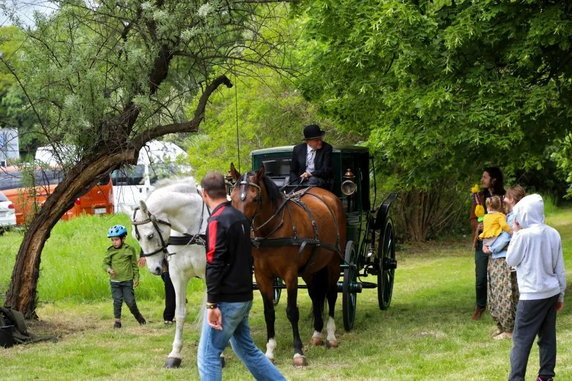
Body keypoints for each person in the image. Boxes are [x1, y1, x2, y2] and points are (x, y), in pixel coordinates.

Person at [197, 172, 285, 381]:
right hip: (243, 297)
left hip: (227, 299)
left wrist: (212, 304)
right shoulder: (241, 218)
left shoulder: (216, 220)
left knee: (208, 355)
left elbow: (215, 262)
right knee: (247, 350)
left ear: (204, 194)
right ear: (227, 191)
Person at [506, 194, 566, 381]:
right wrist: (561, 295)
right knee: (547, 336)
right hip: (551, 292)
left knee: (521, 340)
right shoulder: (553, 233)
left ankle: (516, 378)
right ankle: (546, 376)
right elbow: (560, 268)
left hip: (531, 295)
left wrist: (515, 233)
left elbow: (510, 260)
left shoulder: (523, 236)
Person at [483, 185, 526, 340]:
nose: (503, 199)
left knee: (505, 292)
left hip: (503, 259)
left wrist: (491, 247)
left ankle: (509, 330)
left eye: (506, 196)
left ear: (512, 198)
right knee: (495, 292)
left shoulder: (515, 215)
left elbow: (508, 236)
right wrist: (487, 245)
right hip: (496, 258)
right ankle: (502, 326)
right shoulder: (505, 215)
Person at [469, 167, 505, 320]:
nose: (482, 180)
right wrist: (478, 226)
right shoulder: (479, 198)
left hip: (501, 242)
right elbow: (472, 218)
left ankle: (501, 307)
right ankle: (480, 307)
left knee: (500, 276)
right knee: (481, 278)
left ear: (493, 180)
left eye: (485, 177)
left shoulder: (504, 197)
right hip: (482, 242)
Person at [102, 224, 146, 329]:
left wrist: (136, 278)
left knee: (130, 302)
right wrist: (109, 269)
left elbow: (134, 266)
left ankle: (139, 317)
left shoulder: (130, 250)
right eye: (112, 240)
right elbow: (105, 264)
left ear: (123, 238)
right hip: (115, 282)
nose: (114, 242)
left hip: (127, 281)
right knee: (117, 301)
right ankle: (117, 322)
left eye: (116, 239)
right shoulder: (110, 251)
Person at [289, 124, 333, 189]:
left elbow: (326, 170)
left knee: (312, 180)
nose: (320, 142)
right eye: (316, 140)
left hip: (319, 180)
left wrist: (310, 174)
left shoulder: (327, 148)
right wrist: (294, 186)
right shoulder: (297, 149)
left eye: (320, 139)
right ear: (308, 141)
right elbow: (293, 171)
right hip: (301, 182)